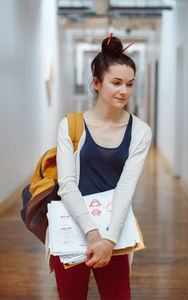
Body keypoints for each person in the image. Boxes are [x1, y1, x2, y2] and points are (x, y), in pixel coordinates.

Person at [49, 35, 152, 300]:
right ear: (97, 83)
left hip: (114, 233)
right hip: (72, 228)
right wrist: (92, 235)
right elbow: (67, 185)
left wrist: (108, 241)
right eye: (116, 83)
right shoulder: (70, 126)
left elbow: (126, 187)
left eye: (130, 84)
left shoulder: (140, 131)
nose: (124, 91)